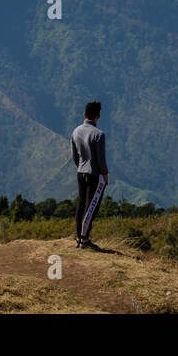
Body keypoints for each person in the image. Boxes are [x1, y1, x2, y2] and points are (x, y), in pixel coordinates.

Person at [71, 101, 109, 248]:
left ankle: (78, 237)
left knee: (81, 205)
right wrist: (105, 174)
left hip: (80, 172)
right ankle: (84, 240)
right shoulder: (98, 134)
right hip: (94, 175)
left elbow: (74, 156)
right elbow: (101, 159)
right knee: (91, 207)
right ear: (98, 116)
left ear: (84, 114)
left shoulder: (75, 131)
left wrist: (81, 166)